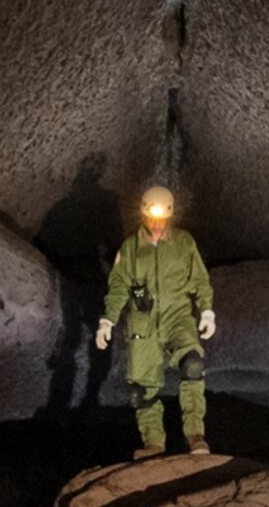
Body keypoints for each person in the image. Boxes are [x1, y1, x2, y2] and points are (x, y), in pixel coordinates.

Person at [92, 183, 217, 458]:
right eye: (151, 217)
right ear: (142, 215)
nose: (156, 223)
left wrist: (206, 310)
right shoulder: (131, 248)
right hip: (143, 322)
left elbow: (199, 279)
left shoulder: (184, 242)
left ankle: (195, 435)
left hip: (177, 316)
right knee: (141, 390)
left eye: (161, 218)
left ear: (170, 216)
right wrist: (107, 321)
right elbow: (119, 287)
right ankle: (154, 445)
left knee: (193, 363)